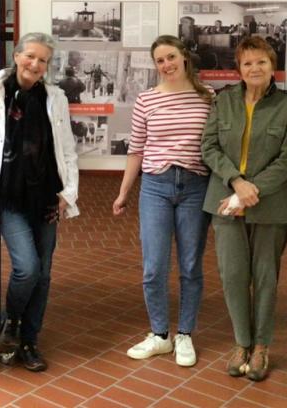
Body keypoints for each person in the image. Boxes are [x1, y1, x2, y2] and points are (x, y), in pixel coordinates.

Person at [201, 36, 287, 382]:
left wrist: (251, 189)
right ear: (239, 69)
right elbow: (209, 147)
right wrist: (236, 182)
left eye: (262, 61)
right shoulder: (224, 101)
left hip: (271, 203)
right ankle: (241, 342)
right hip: (226, 201)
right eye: (248, 63)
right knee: (232, 277)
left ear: (273, 66)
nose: (255, 68)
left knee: (265, 277)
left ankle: (261, 345)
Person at [113, 35, 213, 367]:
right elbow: (136, 149)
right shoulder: (146, 100)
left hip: (195, 186)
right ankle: (159, 334)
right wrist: (124, 192)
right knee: (154, 266)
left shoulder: (207, 97)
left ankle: (184, 333)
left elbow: (215, 145)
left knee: (190, 265)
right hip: (155, 186)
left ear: (184, 57)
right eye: (160, 60)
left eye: (171, 57)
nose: (166, 65)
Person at [0, 32, 79, 372]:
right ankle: (12, 322)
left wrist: (68, 192)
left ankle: (29, 339)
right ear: (16, 55)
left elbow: (66, 148)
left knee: (44, 273)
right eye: (30, 56)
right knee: (28, 268)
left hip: (47, 195)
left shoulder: (55, 97)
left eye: (43, 60)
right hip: (9, 195)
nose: (35, 65)